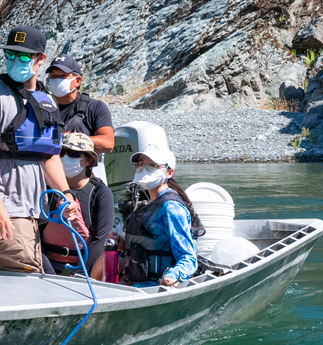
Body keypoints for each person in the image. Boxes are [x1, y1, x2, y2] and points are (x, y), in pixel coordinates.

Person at [0, 25, 87, 272]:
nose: (16, 60)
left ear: (41, 59)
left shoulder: (47, 100)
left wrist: (66, 195)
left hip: (30, 211)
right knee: (25, 277)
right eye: (11, 54)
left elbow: (49, 157)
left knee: (30, 277)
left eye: (24, 56)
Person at [119, 146, 205, 288]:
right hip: (136, 283)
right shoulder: (149, 204)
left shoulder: (171, 208)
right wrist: (122, 242)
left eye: (152, 166)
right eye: (141, 165)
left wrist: (172, 276)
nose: (144, 170)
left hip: (155, 286)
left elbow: (189, 257)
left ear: (169, 172)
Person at [39, 133, 117, 279]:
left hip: (83, 271)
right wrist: (48, 273)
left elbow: (100, 240)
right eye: (61, 153)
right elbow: (36, 235)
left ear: (88, 160)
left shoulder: (100, 193)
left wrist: (78, 274)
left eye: (73, 154)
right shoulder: (48, 191)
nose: (65, 158)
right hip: (47, 268)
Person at [46, 55, 113, 153]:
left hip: (81, 166)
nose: (57, 80)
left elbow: (108, 144)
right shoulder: (41, 107)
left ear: (77, 81)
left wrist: (70, 139)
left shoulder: (95, 107)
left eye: (63, 76)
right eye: (53, 76)